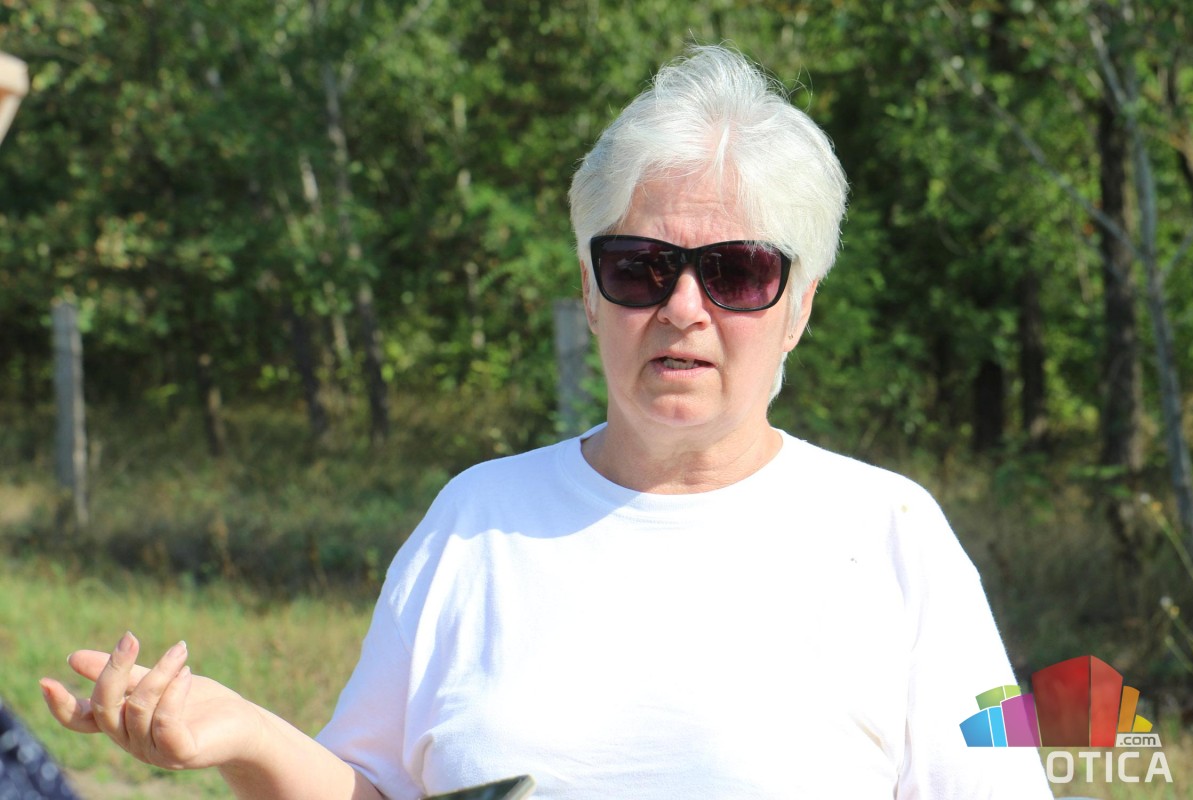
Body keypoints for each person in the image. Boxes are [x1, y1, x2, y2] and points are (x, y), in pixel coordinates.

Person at [41, 45, 1052, 798]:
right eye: (639, 267)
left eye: (738, 271)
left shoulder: (896, 536)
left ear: (800, 305)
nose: (683, 308)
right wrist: (249, 736)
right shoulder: (474, 521)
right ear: (589, 290)